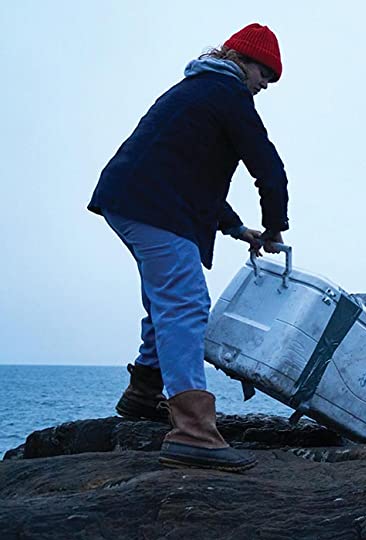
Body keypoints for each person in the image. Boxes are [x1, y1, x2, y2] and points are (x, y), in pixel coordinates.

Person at [87, 23, 289, 472]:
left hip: (134, 198)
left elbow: (188, 177)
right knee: (186, 302)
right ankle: (194, 432)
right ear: (241, 60)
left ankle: (143, 394)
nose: (263, 86)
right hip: (149, 204)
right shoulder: (227, 93)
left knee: (168, 299)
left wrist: (239, 231)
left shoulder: (198, 90)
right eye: (264, 74)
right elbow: (270, 170)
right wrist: (275, 229)